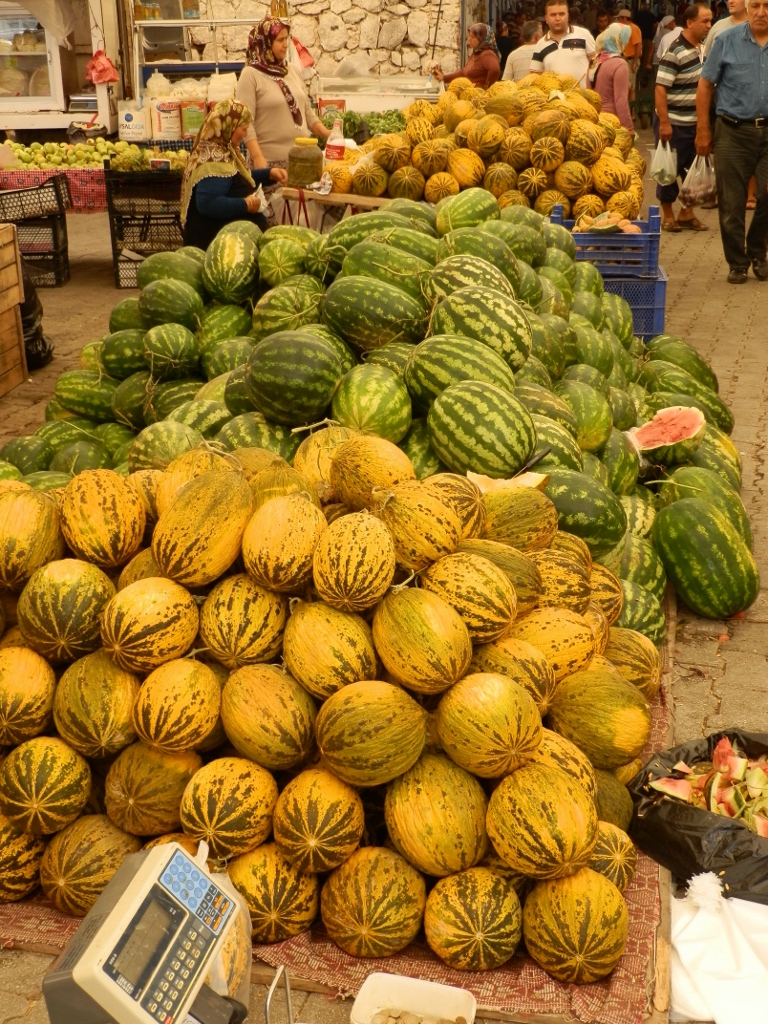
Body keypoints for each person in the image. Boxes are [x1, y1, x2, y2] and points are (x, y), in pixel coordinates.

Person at [696, 0, 768, 283]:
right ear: (747, 9)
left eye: (767, 5)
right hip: (732, 132)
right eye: (756, 6)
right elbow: (705, 85)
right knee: (731, 203)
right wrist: (703, 130)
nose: (761, 12)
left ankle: (758, 251)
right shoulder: (726, 40)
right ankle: (737, 262)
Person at [180, 99, 286, 251]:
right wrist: (245, 204)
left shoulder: (224, 150)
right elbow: (207, 203)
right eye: (243, 129)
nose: (246, 134)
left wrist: (269, 174)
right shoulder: (214, 159)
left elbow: (235, 178)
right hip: (216, 247)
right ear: (229, 126)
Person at [237, 17, 330, 173]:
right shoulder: (250, 75)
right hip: (269, 166)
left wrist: (328, 134)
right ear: (266, 42)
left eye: (286, 38)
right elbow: (245, 122)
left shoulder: (292, 70)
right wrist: (258, 157)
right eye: (280, 40)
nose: (286, 44)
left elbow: (307, 113)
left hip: (302, 161)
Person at [655, 2, 712, 231]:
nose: (709, 25)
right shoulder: (675, 51)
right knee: (668, 172)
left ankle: (686, 213)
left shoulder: (703, 49)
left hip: (696, 124)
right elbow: (660, 88)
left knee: (692, 171)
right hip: (675, 124)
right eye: (704, 21)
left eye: (710, 21)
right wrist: (664, 123)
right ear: (689, 23)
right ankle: (668, 215)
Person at [529, 0, 597, 87]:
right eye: (553, 15)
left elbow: (596, 66)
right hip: (554, 95)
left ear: (567, 16)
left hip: (583, 94)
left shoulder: (584, 35)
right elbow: (534, 77)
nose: (557, 18)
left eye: (561, 14)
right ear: (546, 19)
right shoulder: (540, 45)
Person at [590, 23, 636, 134]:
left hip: (594, 121)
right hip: (612, 124)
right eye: (625, 40)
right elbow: (621, 101)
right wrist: (629, 128)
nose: (626, 43)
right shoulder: (619, 64)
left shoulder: (595, 61)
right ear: (618, 40)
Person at [434, 24, 502, 87]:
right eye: (469, 36)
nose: (469, 39)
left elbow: (495, 69)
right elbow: (464, 72)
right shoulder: (476, 52)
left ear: (482, 38)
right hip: (469, 93)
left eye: (473, 37)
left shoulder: (487, 54)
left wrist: (486, 87)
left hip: (479, 94)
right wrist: (444, 77)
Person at [616, 8, 644, 99]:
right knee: (628, 87)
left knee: (629, 87)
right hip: (626, 60)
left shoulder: (633, 28)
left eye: (619, 18)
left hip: (631, 61)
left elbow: (638, 46)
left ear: (624, 18)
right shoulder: (625, 28)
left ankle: (631, 108)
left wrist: (634, 62)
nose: (618, 21)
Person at [635, 2, 659, 69]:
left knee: (638, 55)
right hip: (649, 38)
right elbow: (654, 26)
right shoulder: (651, 15)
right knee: (647, 56)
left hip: (638, 39)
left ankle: (638, 69)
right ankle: (644, 71)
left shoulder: (637, 15)